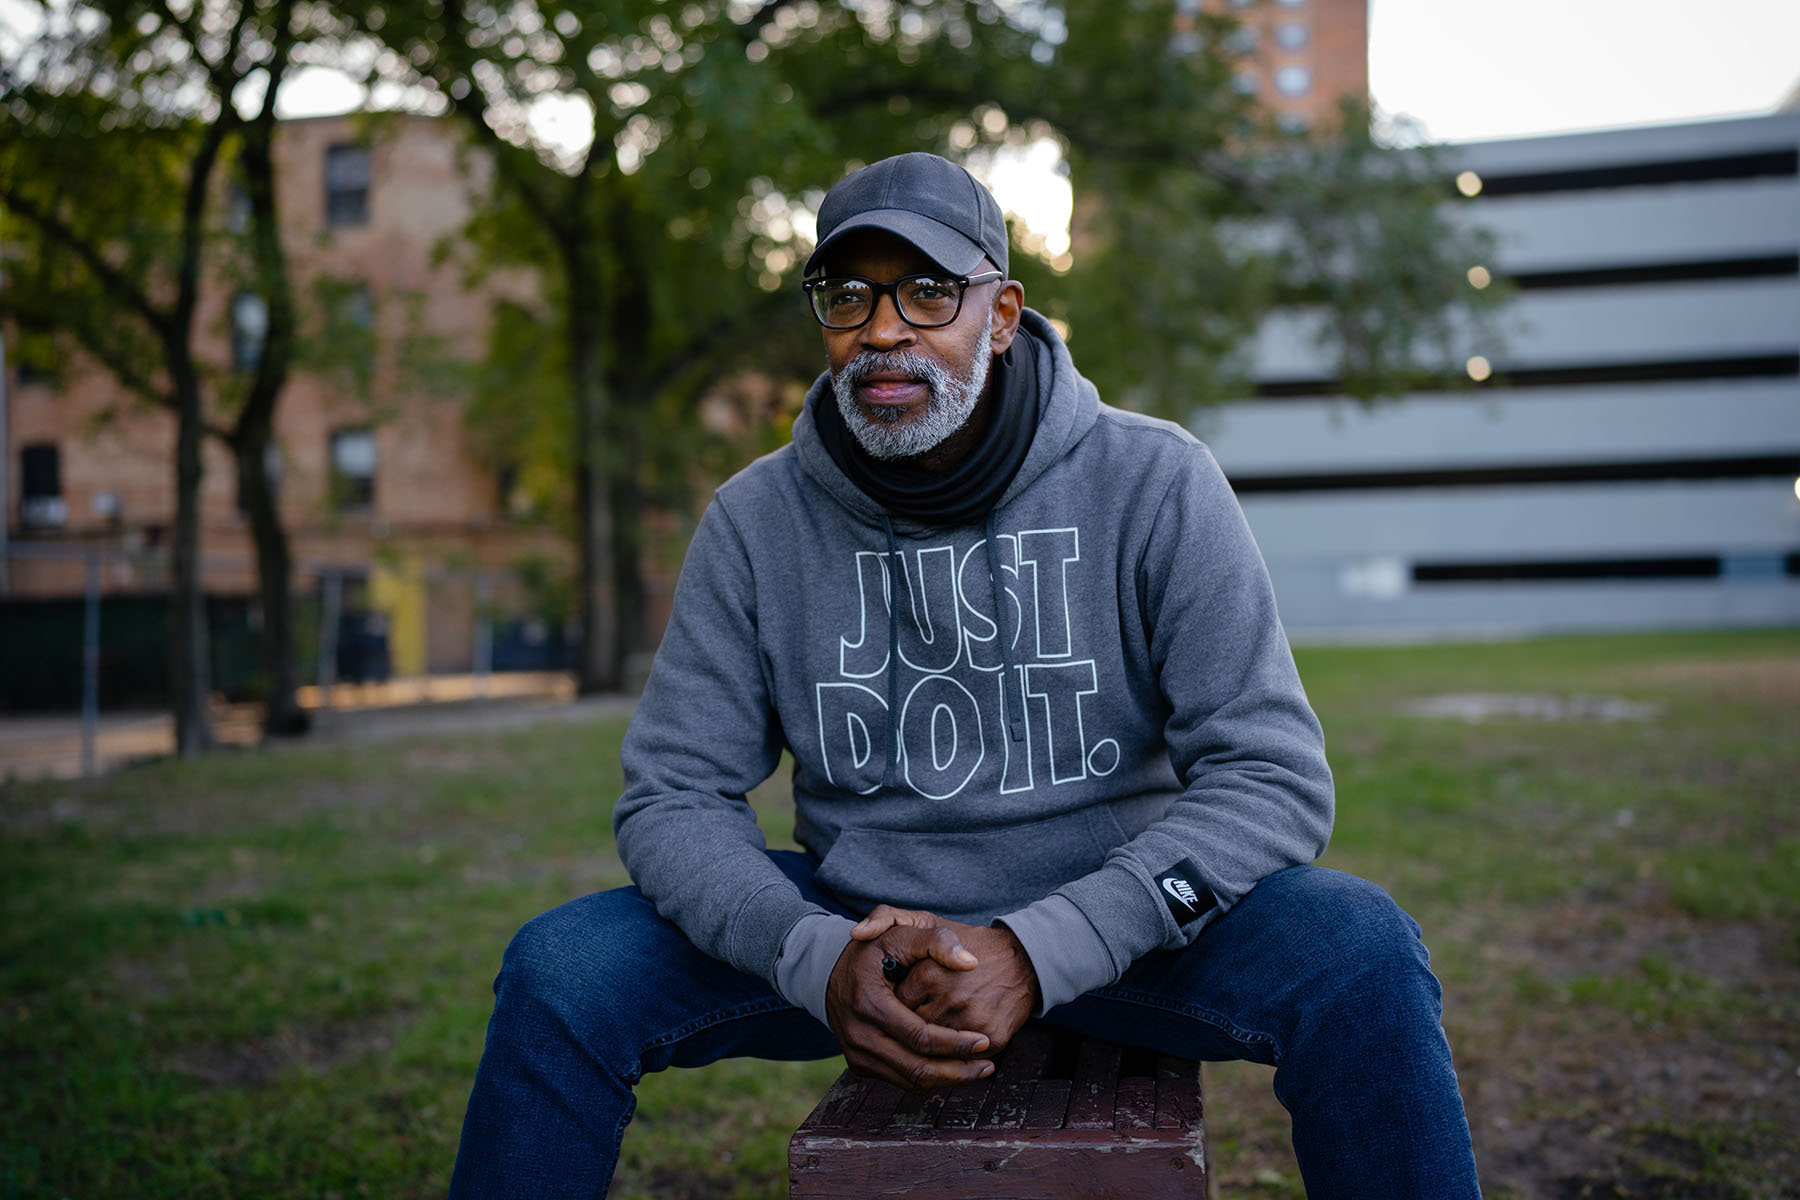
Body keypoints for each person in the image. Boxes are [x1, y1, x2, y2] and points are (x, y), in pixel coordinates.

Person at [449, 152, 1482, 1199]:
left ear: (1001, 313)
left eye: (929, 291)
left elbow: (1271, 777)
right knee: (562, 973)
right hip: (866, 935)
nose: (884, 329)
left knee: (1362, 952)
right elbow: (673, 794)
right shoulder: (756, 522)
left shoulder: (1155, 480)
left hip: (1127, 930)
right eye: (847, 295)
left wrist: (1040, 948)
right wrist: (814, 957)